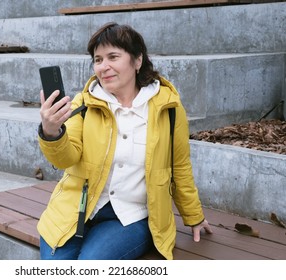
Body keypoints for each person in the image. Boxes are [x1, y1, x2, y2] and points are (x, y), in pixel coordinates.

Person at [37, 22, 212, 260]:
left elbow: (180, 165)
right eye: (98, 60)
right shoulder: (84, 104)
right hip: (75, 210)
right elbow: (65, 158)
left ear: (137, 61)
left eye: (113, 57)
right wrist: (52, 131)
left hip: (131, 216)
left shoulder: (168, 109)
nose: (104, 66)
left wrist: (193, 216)